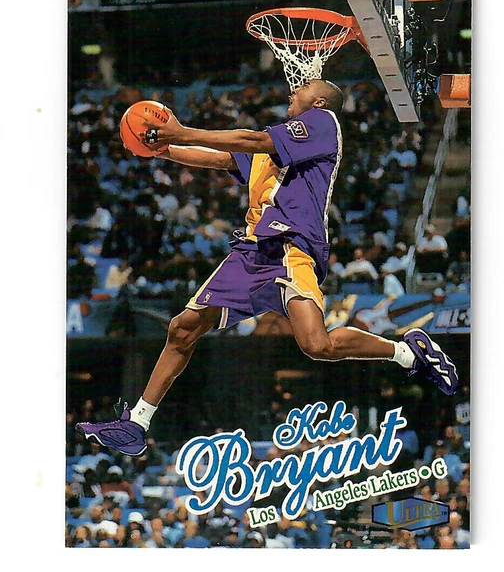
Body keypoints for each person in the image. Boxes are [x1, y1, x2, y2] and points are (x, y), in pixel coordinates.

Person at [76, 78, 458, 457]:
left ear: (320, 101)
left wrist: (181, 131)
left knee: (317, 345)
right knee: (182, 327)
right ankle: (136, 423)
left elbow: (252, 140)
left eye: (304, 87)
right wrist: (164, 150)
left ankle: (407, 352)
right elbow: (221, 158)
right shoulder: (276, 142)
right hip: (253, 251)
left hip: (291, 246)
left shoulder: (323, 123)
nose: (293, 89)